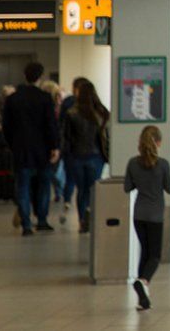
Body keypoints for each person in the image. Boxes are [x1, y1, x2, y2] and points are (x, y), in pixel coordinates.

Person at [2, 62, 60, 236]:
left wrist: (12, 144)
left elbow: (7, 126)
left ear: (25, 76)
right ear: (40, 77)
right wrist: (54, 146)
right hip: (42, 150)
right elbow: (51, 125)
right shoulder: (45, 98)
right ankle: (41, 220)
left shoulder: (13, 99)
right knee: (43, 185)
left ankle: (26, 224)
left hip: (21, 149)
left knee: (23, 186)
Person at [124, 126, 170, 311]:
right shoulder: (163, 164)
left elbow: (127, 187)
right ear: (158, 143)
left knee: (145, 252)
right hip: (155, 215)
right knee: (155, 256)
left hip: (139, 215)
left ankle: (143, 298)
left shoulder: (132, 163)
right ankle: (143, 281)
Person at [62, 80, 110, 233]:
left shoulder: (71, 113)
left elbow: (66, 138)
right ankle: (93, 217)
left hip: (77, 157)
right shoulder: (101, 113)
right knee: (93, 189)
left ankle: (82, 219)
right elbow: (106, 136)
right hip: (96, 157)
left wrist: (67, 156)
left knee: (81, 190)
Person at [58, 76, 87, 219]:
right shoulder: (93, 104)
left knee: (70, 179)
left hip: (72, 151)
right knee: (87, 186)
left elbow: (61, 127)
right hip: (91, 152)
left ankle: (67, 200)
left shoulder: (67, 103)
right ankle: (85, 213)